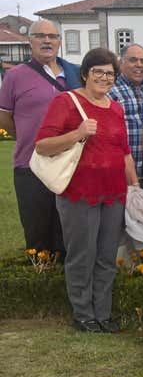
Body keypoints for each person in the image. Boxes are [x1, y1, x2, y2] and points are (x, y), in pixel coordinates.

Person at [35, 48, 138, 333]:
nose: (105, 78)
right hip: (79, 193)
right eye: (99, 72)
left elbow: (124, 151)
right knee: (82, 253)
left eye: (110, 74)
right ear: (85, 73)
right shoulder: (66, 102)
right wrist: (77, 133)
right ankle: (83, 313)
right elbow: (42, 145)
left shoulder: (115, 107)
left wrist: (135, 185)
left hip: (114, 193)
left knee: (106, 255)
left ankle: (102, 312)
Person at [0, 19, 80, 256]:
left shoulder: (75, 73)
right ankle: (39, 286)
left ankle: (68, 287)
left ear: (59, 41)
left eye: (52, 36)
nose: (47, 41)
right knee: (38, 233)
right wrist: (28, 138)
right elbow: (4, 116)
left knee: (70, 233)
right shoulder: (16, 75)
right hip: (31, 165)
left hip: (71, 164)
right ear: (29, 40)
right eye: (40, 36)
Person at [108, 44, 143, 192]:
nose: (139, 65)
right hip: (121, 172)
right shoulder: (111, 90)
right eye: (133, 60)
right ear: (120, 63)